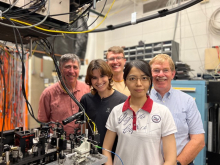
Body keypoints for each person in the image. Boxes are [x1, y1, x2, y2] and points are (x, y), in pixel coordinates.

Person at [103, 60, 177, 165]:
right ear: (125, 81)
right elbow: (106, 148)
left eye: (144, 78)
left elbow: (171, 159)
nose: (138, 84)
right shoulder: (117, 111)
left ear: (150, 81)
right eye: (132, 78)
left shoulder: (163, 112)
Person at [149, 54, 205, 165]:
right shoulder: (141, 100)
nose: (161, 74)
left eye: (165, 70)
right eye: (156, 70)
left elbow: (198, 140)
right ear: (150, 74)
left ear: (173, 74)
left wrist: (177, 163)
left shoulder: (187, 101)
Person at [80, 59, 127, 153]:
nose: (99, 81)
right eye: (94, 77)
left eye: (102, 76)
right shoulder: (86, 100)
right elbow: (83, 128)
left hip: (114, 154)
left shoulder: (122, 101)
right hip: (91, 153)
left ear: (109, 76)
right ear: (90, 80)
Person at [38, 54, 90, 138]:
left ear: (79, 70)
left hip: (82, 142)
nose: (72, 71)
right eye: (67, 67)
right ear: (60, 69)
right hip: (58, 143)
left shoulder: (87, 89)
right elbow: (43, 121)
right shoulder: (48, 93)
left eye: (75, 67)